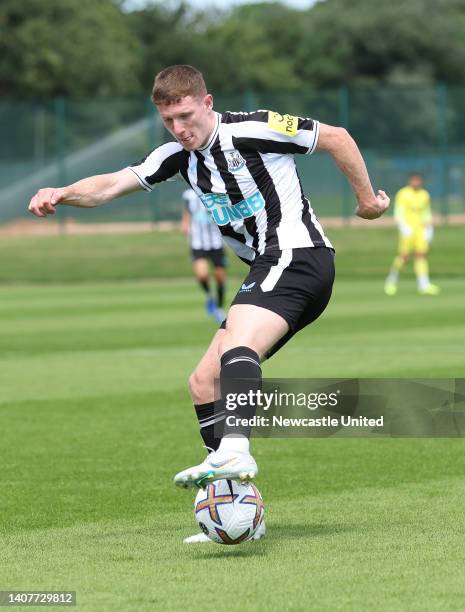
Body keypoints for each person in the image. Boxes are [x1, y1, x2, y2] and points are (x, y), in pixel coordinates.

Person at [28, 64, 390, 543]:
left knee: (239, 347)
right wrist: (62, 193)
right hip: (268, 267)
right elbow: (113, 184)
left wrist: (367, 202)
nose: (180, 129)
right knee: (204, 380)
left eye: (185, 115)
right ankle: (234, 510)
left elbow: (338, 137)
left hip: (298, 256)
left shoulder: (254, 128)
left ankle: (236, 450)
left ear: (207, 102)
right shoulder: (176, 156)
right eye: (168, 120)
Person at [384, 173, 439, 296]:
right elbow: (399, 211)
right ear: (410, 181)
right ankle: (391, 280)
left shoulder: (424, 194)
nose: (416, 183)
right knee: (404, 256)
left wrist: (429, 228)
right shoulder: (403, 194)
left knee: (421, 255)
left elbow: (426, 212)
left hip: (420, 229)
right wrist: (402, 225)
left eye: (418, 180)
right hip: (408, 229)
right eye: (414, 180)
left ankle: (423, 284)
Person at [181, 187, 227, 323]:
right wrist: (185, 223)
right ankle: (209, 296)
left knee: (219, 278)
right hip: (197, 242)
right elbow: (186, 213)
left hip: (216, 242)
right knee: (202, 274)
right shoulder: (188, 195)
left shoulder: (217, 190)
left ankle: (219, 307)